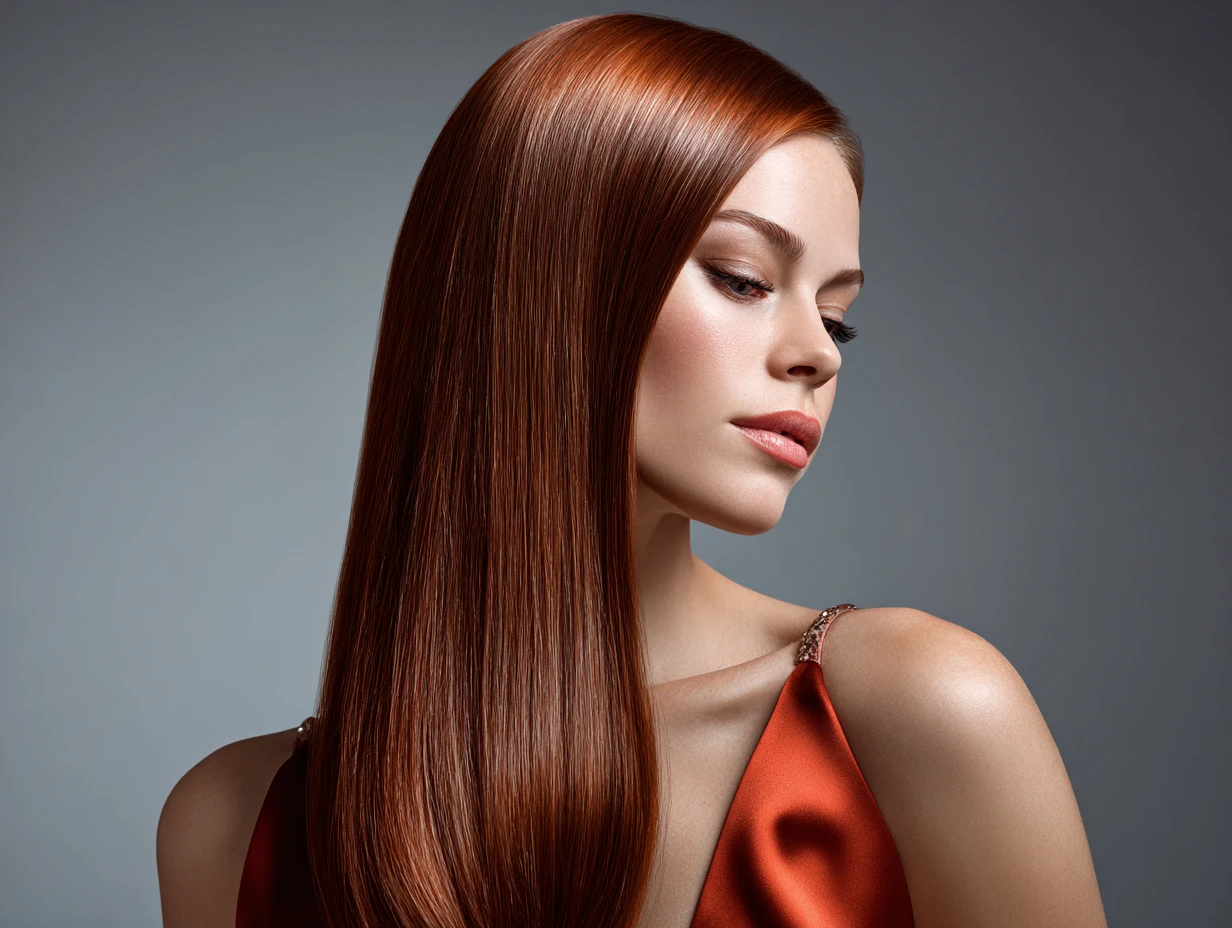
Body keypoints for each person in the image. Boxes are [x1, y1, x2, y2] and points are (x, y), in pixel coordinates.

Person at [155, 12, 1107, 928]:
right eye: (743, 278)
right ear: (545, 283)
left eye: (837, 313)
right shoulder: (233, 827)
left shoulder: (916, 713)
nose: (821, 353)